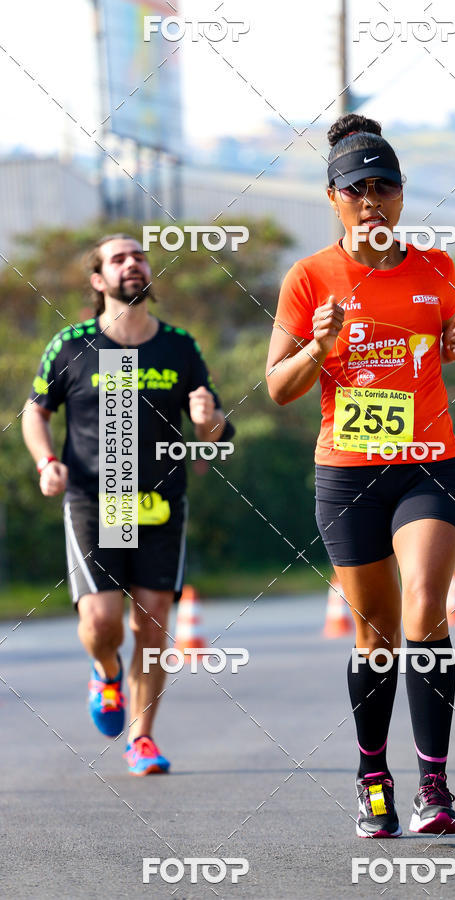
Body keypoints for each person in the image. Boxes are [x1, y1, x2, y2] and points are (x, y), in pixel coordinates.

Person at [266, 114, 455, 837]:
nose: (371, 201)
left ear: (403, 195)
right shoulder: (309, 279)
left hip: (428, 464)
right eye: (357, 189)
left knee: (424, 602)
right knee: (377, 633)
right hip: (348, 473)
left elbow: (439, 346)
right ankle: (372, 779)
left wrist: (452, 345)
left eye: (384, 186)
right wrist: (319, 346)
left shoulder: (437, 270)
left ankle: (437, 790)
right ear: (333, 197)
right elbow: (278, 388)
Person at [22, 234, 234, 775]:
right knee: (101, 623)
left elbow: (214, 434)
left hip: (162, 502)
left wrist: (209, 422)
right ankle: (104, 670)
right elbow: (36, 412)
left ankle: (142, 739)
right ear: (99, 281)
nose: (132, 264)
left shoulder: (179, 346)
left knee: (154, 623)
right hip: (97, 500)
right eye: (118, 259)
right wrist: (47, 462)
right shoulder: (73, 344)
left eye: (139, 255)